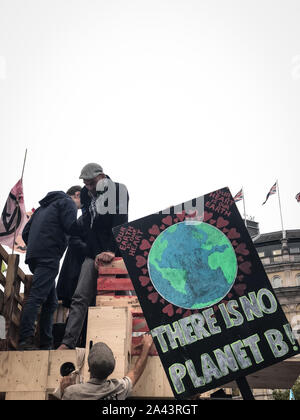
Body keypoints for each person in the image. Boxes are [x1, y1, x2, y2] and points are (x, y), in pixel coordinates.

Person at [58, 163, 129, 350]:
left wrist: (111, 251)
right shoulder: (84, 194)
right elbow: (88, 228)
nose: (89, 187)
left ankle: (118, 344)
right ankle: (68, 342)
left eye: (92, 183)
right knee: (80, 295)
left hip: (115, 253)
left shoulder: (118, 190)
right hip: (94, 252)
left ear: (102, 176)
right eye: (86, 184)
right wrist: (96, 253)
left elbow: (121, 222)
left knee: (117, 298)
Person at [18, 189, 82, 351]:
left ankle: (46, 342)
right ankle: (25, 339)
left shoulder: (43, 208)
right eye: (82, 204)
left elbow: (26, 232)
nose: (80, 208)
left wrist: (36, 243)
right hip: (49, 255)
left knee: (51, 302)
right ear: (77, 194)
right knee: (37, 297)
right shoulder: (68, 203)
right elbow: (71, 227)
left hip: (34, 256)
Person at [59, 334, 153, 400]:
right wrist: (146, 346)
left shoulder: (72, 392)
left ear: (89, 368)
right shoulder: (119, 389)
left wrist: (64, 392)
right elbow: (136, 372)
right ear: (111, 370)